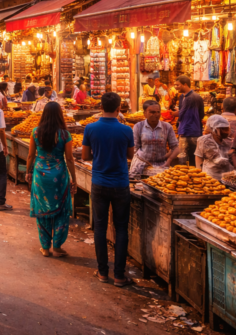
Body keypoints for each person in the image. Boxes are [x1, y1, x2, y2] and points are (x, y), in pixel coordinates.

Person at [82, 92, 135, 287]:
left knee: (100, 228)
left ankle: (103, 272)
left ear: (100, 107)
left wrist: (99, 154)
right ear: (119, 108)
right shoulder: (126, 130)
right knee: (121, 228)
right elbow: (130, 155)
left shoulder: (90, 128)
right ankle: (120, 276)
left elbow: (85, 156)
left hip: (99, 183)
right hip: (120, 184)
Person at [25, 101, 77, 257]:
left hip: (40, 175)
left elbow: (30, 155)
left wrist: (28, 171)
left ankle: (45, 247)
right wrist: (74, 178)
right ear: (60, 115)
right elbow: (69, 159)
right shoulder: (65, 135)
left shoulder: (35, 132)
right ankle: (57, 246)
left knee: (42, 209)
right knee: (61, 209)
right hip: (59, 175)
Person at [129, 100, 180, 178]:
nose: (156, 114)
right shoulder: (138, 126)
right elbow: (135, 148)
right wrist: (137, 161)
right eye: (152, 112)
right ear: (145, 113)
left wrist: (169, 160)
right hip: (141, 166)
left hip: (161, 166)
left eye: (158, 112)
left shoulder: (167, 127)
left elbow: (176, 147)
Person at [171, 75, 204, 167]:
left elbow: (182, 113)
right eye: (175, 85)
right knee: (192, 156)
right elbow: (201, 114)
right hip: (192, 130)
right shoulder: (183, 96)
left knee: (185, 159)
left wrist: (174, 114)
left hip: (188, 131)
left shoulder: (190, 97)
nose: (176, 87)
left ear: (185, 84)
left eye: (178, 85)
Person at [195, 115, 234, 180]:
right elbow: (199, 158)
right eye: (223, 129)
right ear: (214, 129)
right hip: (210, 178)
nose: (226, 132)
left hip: (228, 177)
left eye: (227, 129)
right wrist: (199, 176)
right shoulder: (204, 140)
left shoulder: (228, 141)